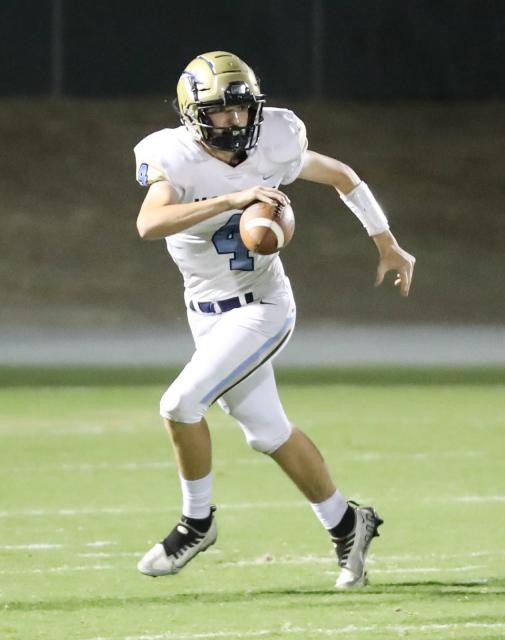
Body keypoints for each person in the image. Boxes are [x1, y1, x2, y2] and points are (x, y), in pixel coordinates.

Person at [132, 51, 415, 588]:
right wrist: (233, 198)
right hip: (205, 312)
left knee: (179, 403)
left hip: (262, 308)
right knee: (268, 432)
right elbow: (150, 223)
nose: (236, 121)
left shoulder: (276, 139)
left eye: (242, 109)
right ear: (194, 113)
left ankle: (197, 522)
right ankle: (348, 522)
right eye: (221, 111)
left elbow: (342, 176)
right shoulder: (173, 155)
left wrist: (388, 243)